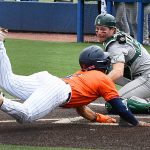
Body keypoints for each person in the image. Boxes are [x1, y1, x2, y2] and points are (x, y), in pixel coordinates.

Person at [0, 28, 148, 126]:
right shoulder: (103, 79)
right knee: (26, 115)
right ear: (100, 63)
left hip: (48, 80)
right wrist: (135, 122)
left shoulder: (82, 74)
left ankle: (0, 43)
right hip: (57, 89)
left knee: (8, 82)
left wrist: (98, 118)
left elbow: (81, 108)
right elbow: (120, 107)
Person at [94, 13, 150, 113]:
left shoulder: (115, 46)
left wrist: (97, 85)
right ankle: (142, 97)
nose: (99, 32)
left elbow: (118, 72)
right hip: (142, 75)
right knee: (103, 70)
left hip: (146, 78)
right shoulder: (119, 36)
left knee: (113, 104)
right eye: (97, 29)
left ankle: (146, 103)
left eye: (103, 29)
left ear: (113, 29)